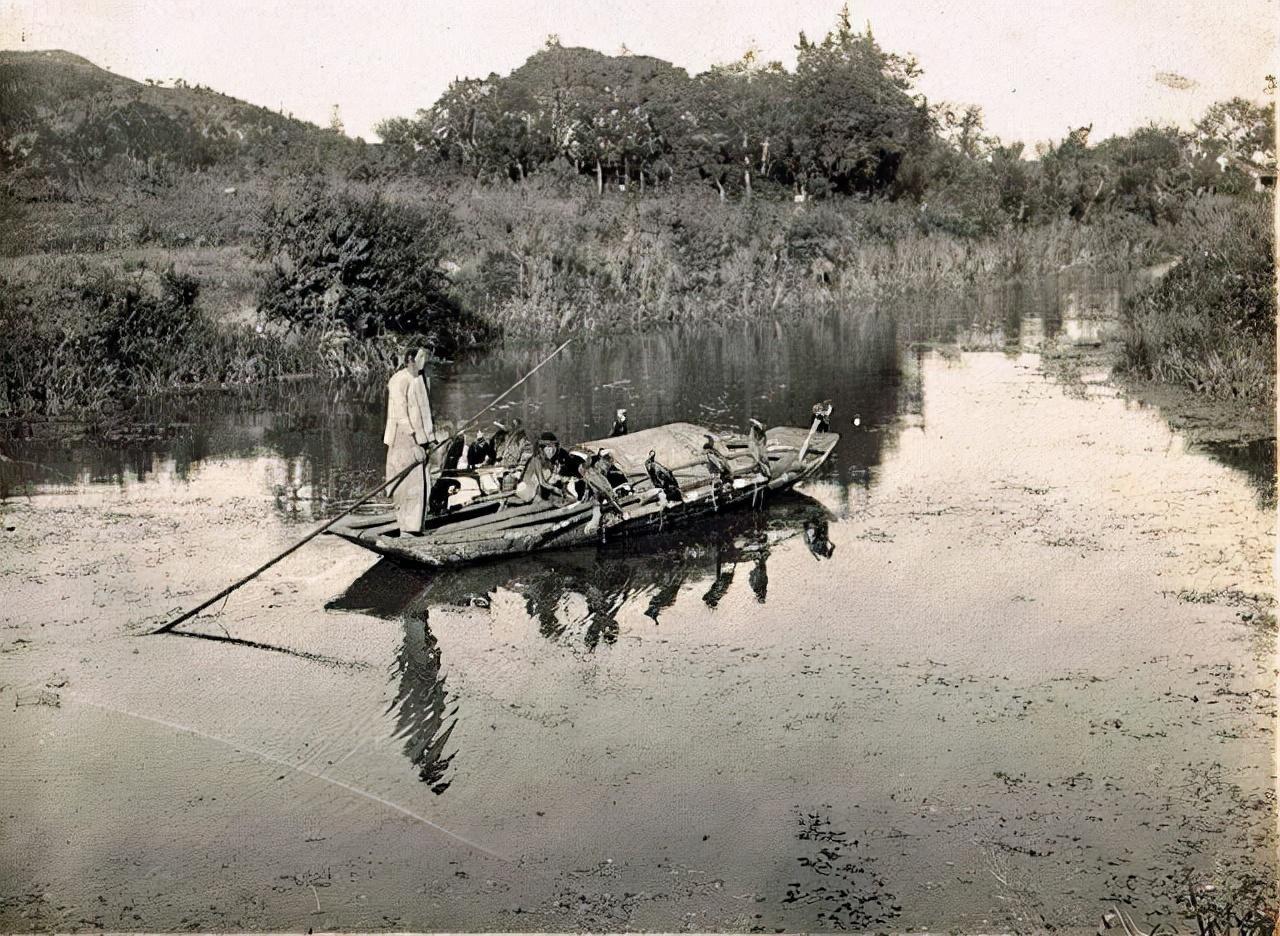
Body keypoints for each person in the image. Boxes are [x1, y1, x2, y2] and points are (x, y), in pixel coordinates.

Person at [384, 347, 435, 534]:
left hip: (420, 439)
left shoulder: (421, 380)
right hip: (403, 438)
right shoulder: (399, 380)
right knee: (406, 485)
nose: (423, 364)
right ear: (410, 360)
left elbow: (426, 413)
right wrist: (413, 443)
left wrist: (430, 440)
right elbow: (401, 415)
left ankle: (417, 527)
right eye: (420, 359)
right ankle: (406, 529)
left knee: (423, 484)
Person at [514, 432, 576, 503]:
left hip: (539, 491)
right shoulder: (535, 460)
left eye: (553, 447)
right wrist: (555, 489)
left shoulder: (550, 462)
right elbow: (542, 483)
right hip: (527, 491)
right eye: (548, 447)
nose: (551, 451)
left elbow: (551, 480)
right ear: (541, 449)